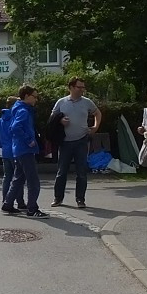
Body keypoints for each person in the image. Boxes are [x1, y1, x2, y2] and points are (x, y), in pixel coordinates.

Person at [50, 76, 101, 209]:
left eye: (83, 87)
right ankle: (58, 198)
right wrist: (60, 121)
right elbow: (52, 118)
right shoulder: (61, 102)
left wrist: (95, 127)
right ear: (71, 88)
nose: (82, 90)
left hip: (81, 140)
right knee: (61, 172)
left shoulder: (87, 102)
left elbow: (98, 113)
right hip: (65, 142)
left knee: (81, 172)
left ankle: (80, 199)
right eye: (79, 87)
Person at [2, 85, 47, 218]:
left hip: (19, 149)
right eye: (34, 96)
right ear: (27, 96)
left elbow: (13, 127)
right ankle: (32, 209)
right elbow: (15, 127)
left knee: (18, 178)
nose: (36, 99)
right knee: (33, 181)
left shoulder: (18, 109)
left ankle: (8, 204)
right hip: (25, 149)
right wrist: (29, 140)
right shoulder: (24, 111)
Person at [0, 97, 26, 212]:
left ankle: (6, 200)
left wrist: (3, 145)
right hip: (15, 151)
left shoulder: (1, 119)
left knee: (7, 177)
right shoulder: (15, 117)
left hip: (5, 151)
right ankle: (20, 202)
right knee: (18, 178)